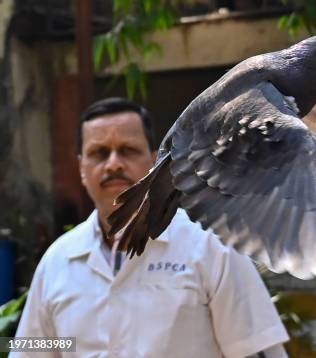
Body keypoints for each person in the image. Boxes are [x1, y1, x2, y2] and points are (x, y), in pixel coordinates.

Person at [12, 98, 289, 358]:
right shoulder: (56, 262)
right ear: (81, 168)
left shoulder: (211, 246)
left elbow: (258, 348)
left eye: (128, 150)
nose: (113, 164)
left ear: (155, 161)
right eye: (99, 153)